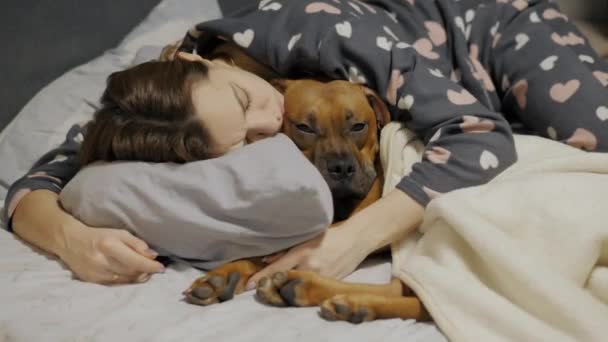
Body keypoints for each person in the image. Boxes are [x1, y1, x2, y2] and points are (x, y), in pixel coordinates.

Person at [4, 0, 607, 287]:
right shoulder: (158, 104)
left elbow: (477, 133)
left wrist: (351, 239)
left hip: (489, 33)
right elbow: (47, 174)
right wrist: (71, 238)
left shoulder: (326, 38)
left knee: (594, 135)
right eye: (246, 139)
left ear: (196, 60)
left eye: (246, 98)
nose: (269, 121)